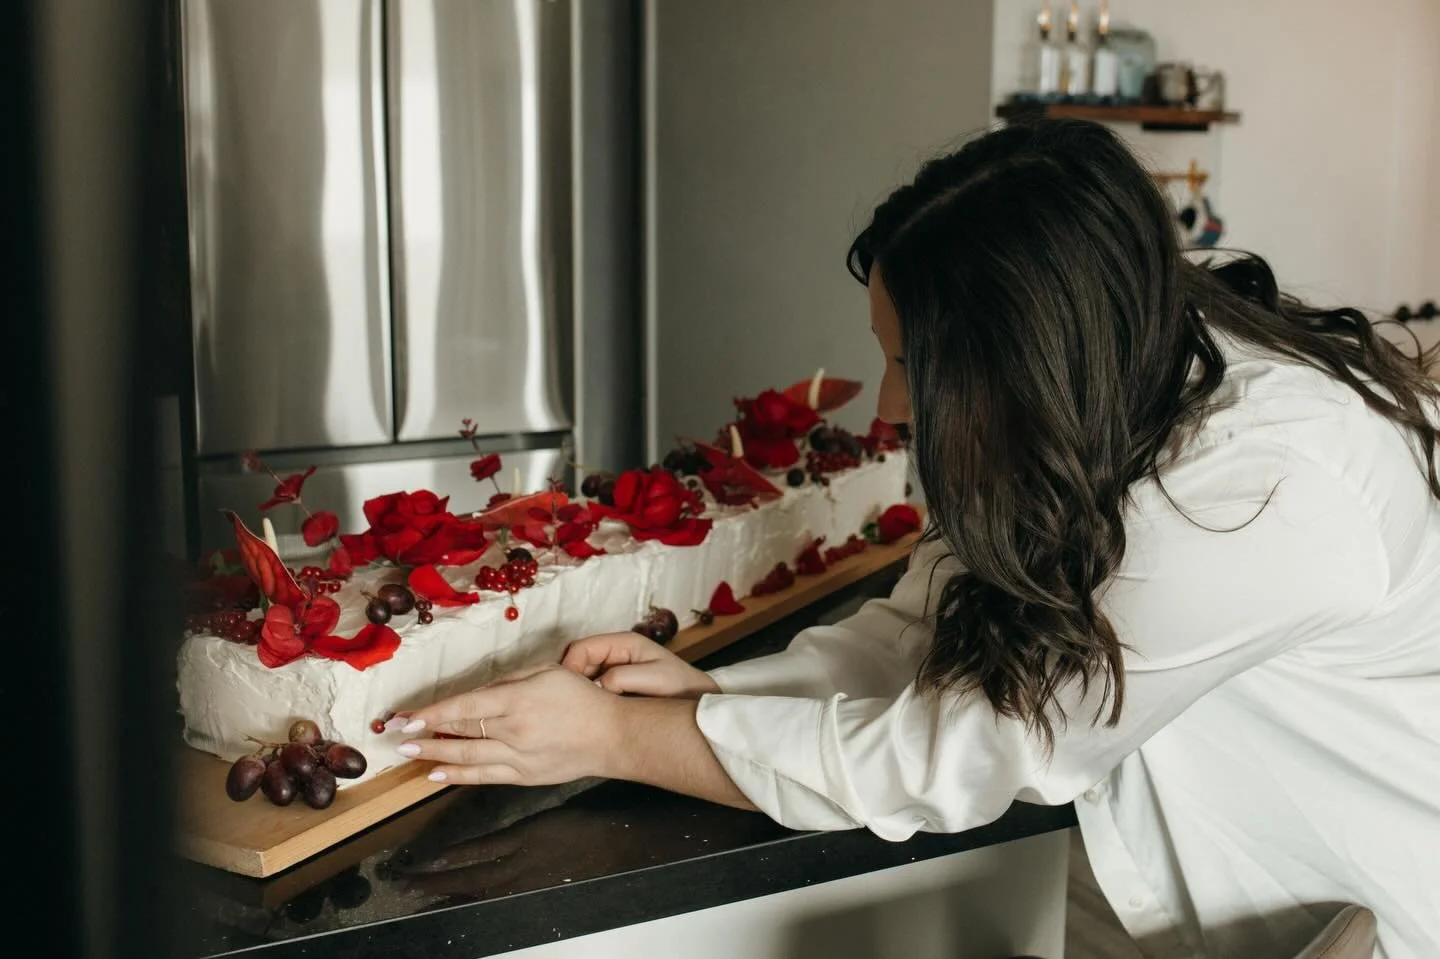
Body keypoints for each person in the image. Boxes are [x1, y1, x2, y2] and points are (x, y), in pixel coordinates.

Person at [397, 119, 1440, 957]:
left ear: (1019, 354)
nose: (894, 405)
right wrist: (717, 696)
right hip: (1191, 877)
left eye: (912, 366)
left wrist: (615, 739)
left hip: (1359, 912)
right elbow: (947, 618)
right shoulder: (1112, 363)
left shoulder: (1265, 495)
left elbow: (963, 749)